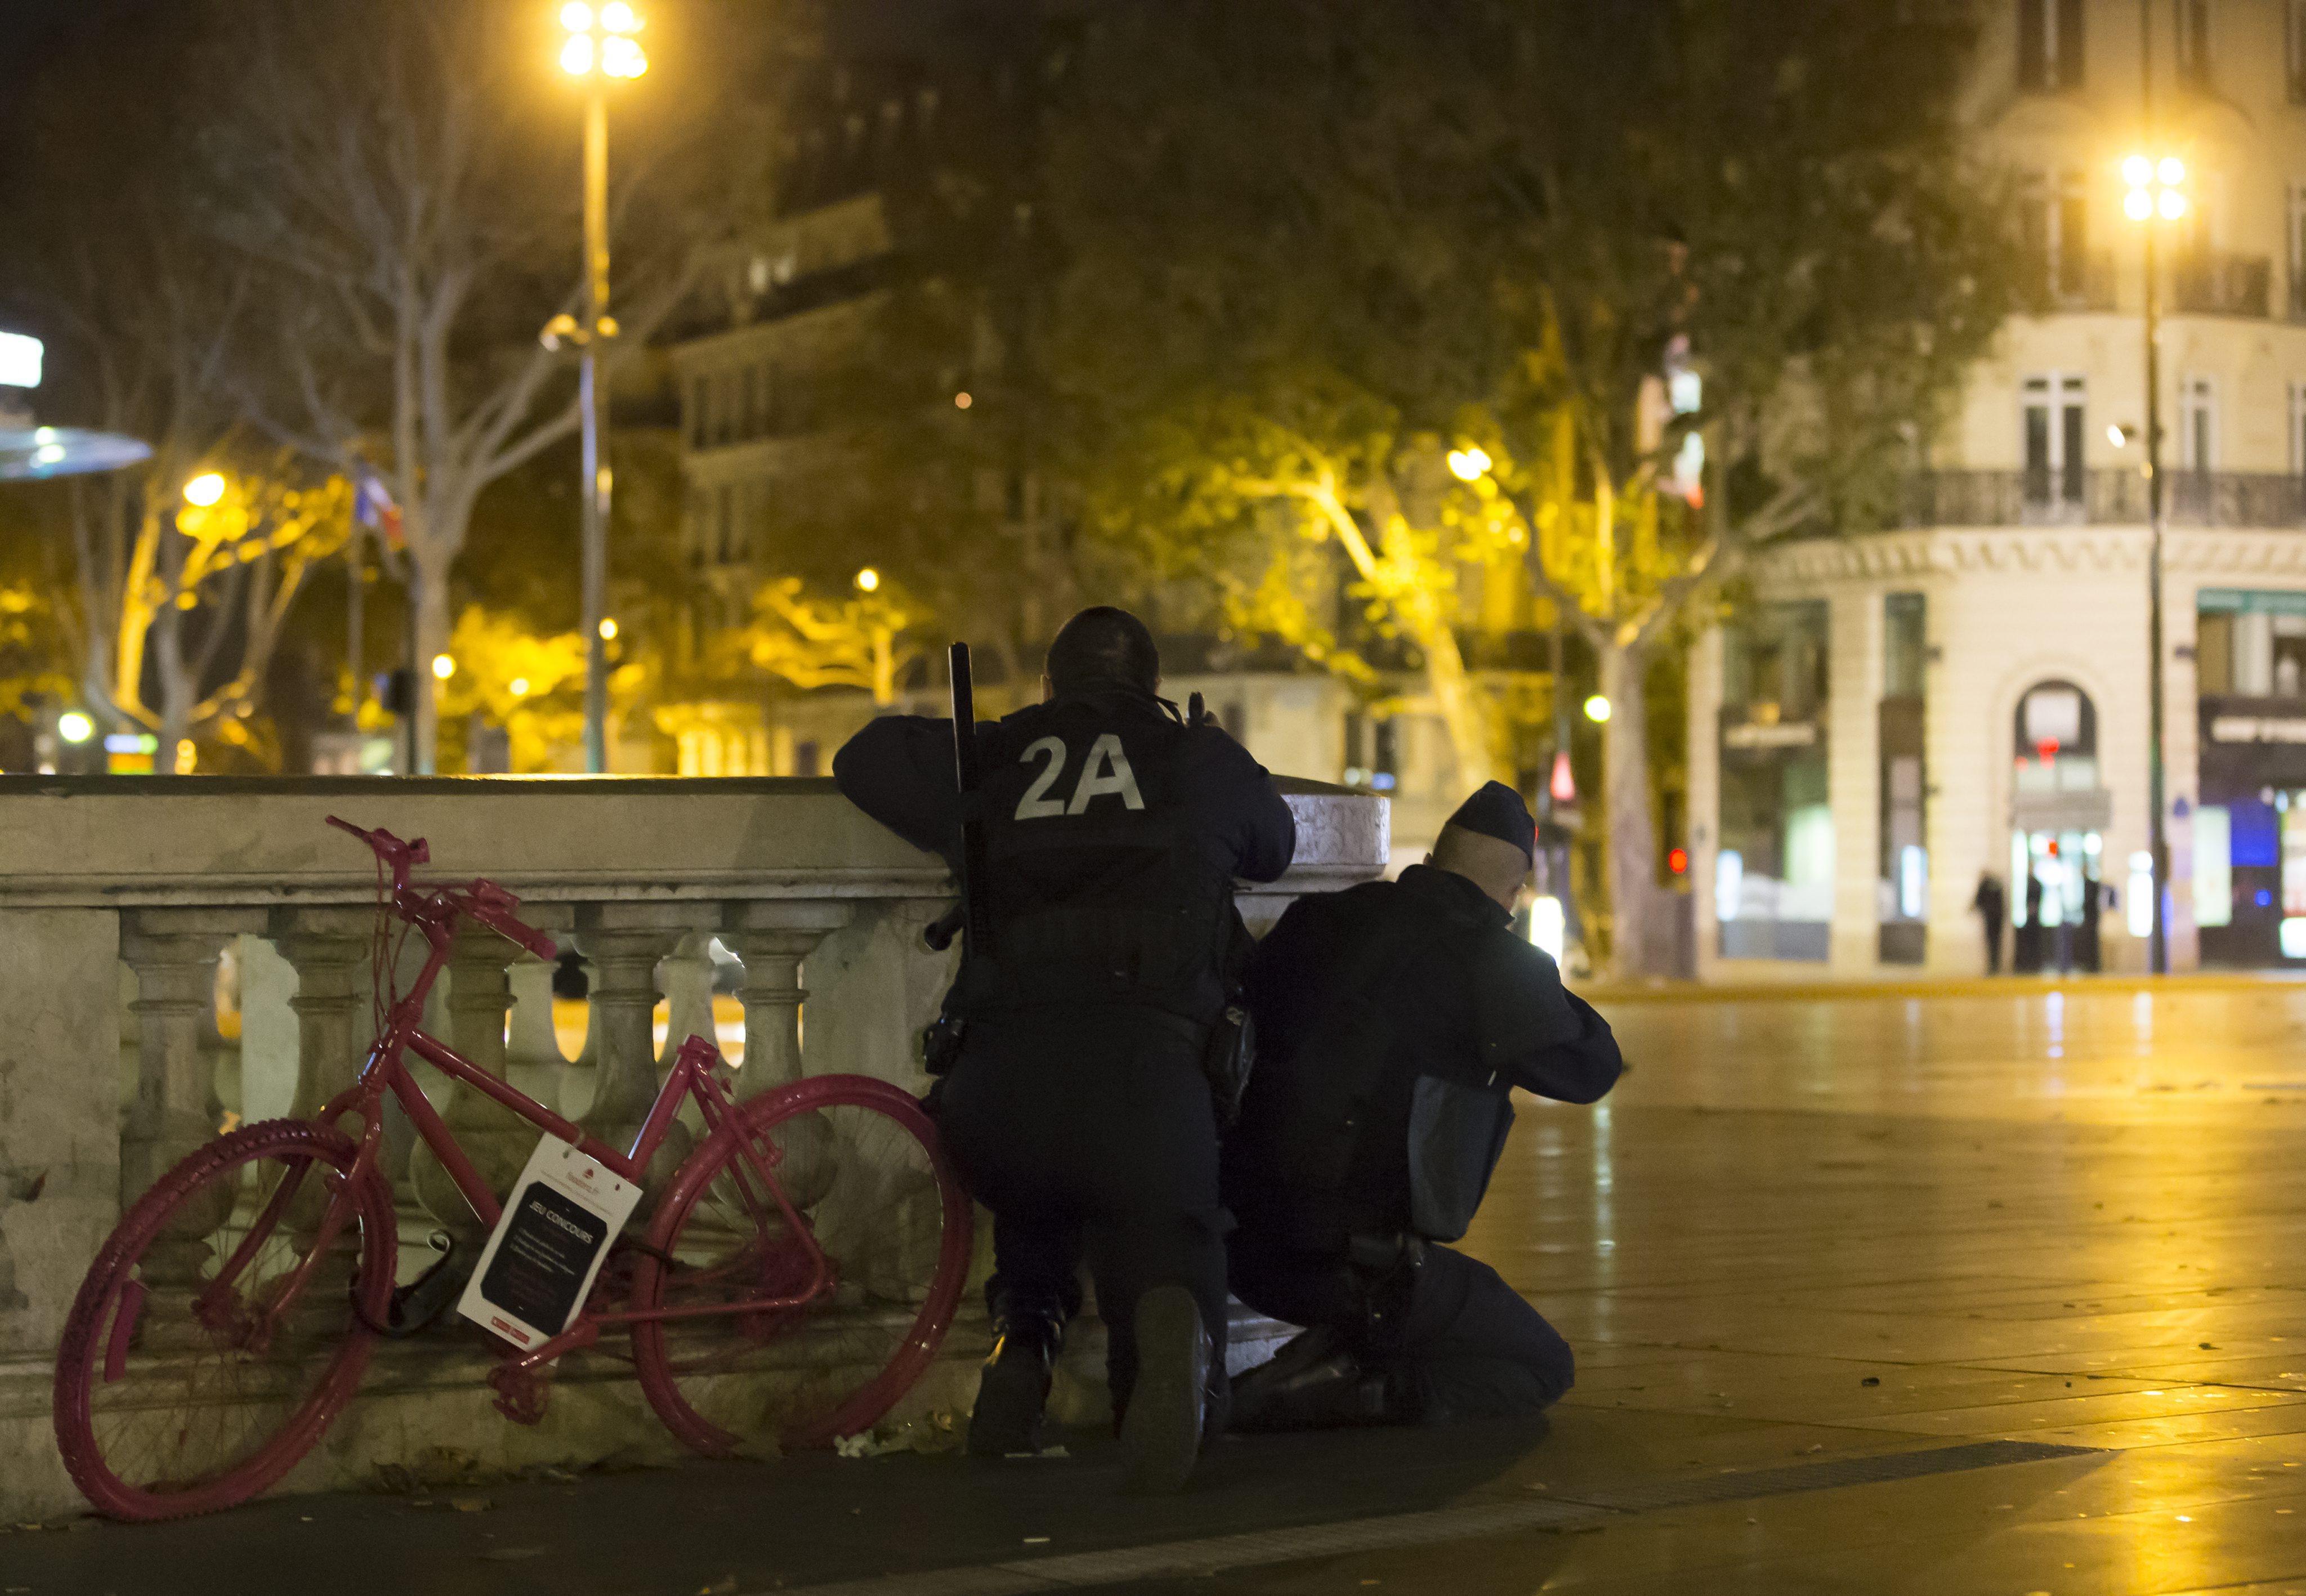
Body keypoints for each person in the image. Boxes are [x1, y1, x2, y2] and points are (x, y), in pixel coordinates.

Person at [833, 607, 1295, 1491]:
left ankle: (1024, 1341)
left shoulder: (1003, 755)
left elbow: (863, 758)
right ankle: (1164, 1349)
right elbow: (1276, 845)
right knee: (1166, 1223)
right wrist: (1210, 752)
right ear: (1154, 688)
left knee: (1042, 1196)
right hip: (1149, 1089)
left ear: (1050, 684)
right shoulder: (1198, 760)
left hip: (998, 1101)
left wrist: (983, 738)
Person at [1222, 781, 1621, 1431]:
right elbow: (1592, 1066)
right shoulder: (1492, 960)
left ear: (1433, 861)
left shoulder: (1320, 920)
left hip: (1236, 1242)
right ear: (1513, 893)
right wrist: (1517, 964)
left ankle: (1329, 1361)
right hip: (1354, 1266)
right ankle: (1332, 1392)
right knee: (1541, 1367)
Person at [1972, 871, 2006, 976]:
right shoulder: (1997, 885)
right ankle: (1995, 965)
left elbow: (1978, 900)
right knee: (1996, 942)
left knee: (1992, 942)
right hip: (1997, 919)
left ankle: (1993, 966)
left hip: (1991, 919)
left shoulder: (1984, 885)